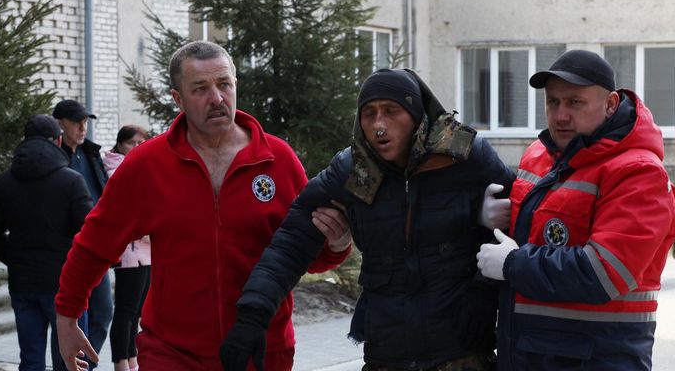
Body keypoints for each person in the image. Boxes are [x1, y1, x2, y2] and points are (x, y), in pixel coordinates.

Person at [53, 41, 351, 371]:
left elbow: (309, 256)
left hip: (262, 349)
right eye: (200, 88)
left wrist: (337, 245)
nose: (217, 98)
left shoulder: (277, 160)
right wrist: (67, 317)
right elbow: (94, 245)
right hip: (172, 352)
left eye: (224, 84)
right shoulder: (147, 165)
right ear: (178, 99)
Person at [219, 69, 515, 371]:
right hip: (387, 354)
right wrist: (254, 314)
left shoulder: (462, 155)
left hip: (461, 352)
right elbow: (291, 242)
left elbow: (519, 222)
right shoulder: (353, 170)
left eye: (391, 112)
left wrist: (483, 291)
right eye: (369, 114)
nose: (378, 126)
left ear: (416, 115)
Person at [475, 49, 675, 370]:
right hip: (530, 352)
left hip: (599, 356)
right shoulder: (539, 155)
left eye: (575, 102)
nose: (560, 115)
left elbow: (604, 273)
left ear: (611, 104)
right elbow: (537, 238)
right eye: (553, 102)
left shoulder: (639, 172)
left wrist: (513, 264)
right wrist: (494, 221)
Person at [0, 115, 92, 371]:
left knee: (30, 359)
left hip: (23, 282)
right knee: (71, 360)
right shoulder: (71, 181)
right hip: (65, 283)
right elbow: (88, 232)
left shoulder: (4, 183)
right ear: (59, 140)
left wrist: (15, 257)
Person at [53, 98, 114, 364]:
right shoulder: (55, 158)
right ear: (60, 124)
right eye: (76, 122)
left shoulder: (90, 154)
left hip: (96, 246)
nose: (82, 127)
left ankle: (84, 367)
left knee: (103, 312)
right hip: (67, 250)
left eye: (85, 121)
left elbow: (106, 193)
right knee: (72, 319)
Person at [100, 125, 151, 371]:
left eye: (142, 142)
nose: (137, 147)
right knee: (126, 310)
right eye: (132, 142)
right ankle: (121, 362)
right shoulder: (115, 169)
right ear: (120, 144)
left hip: (147, 251)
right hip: (129, 251)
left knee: (137, 311)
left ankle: (132, 359)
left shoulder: (142, 167)